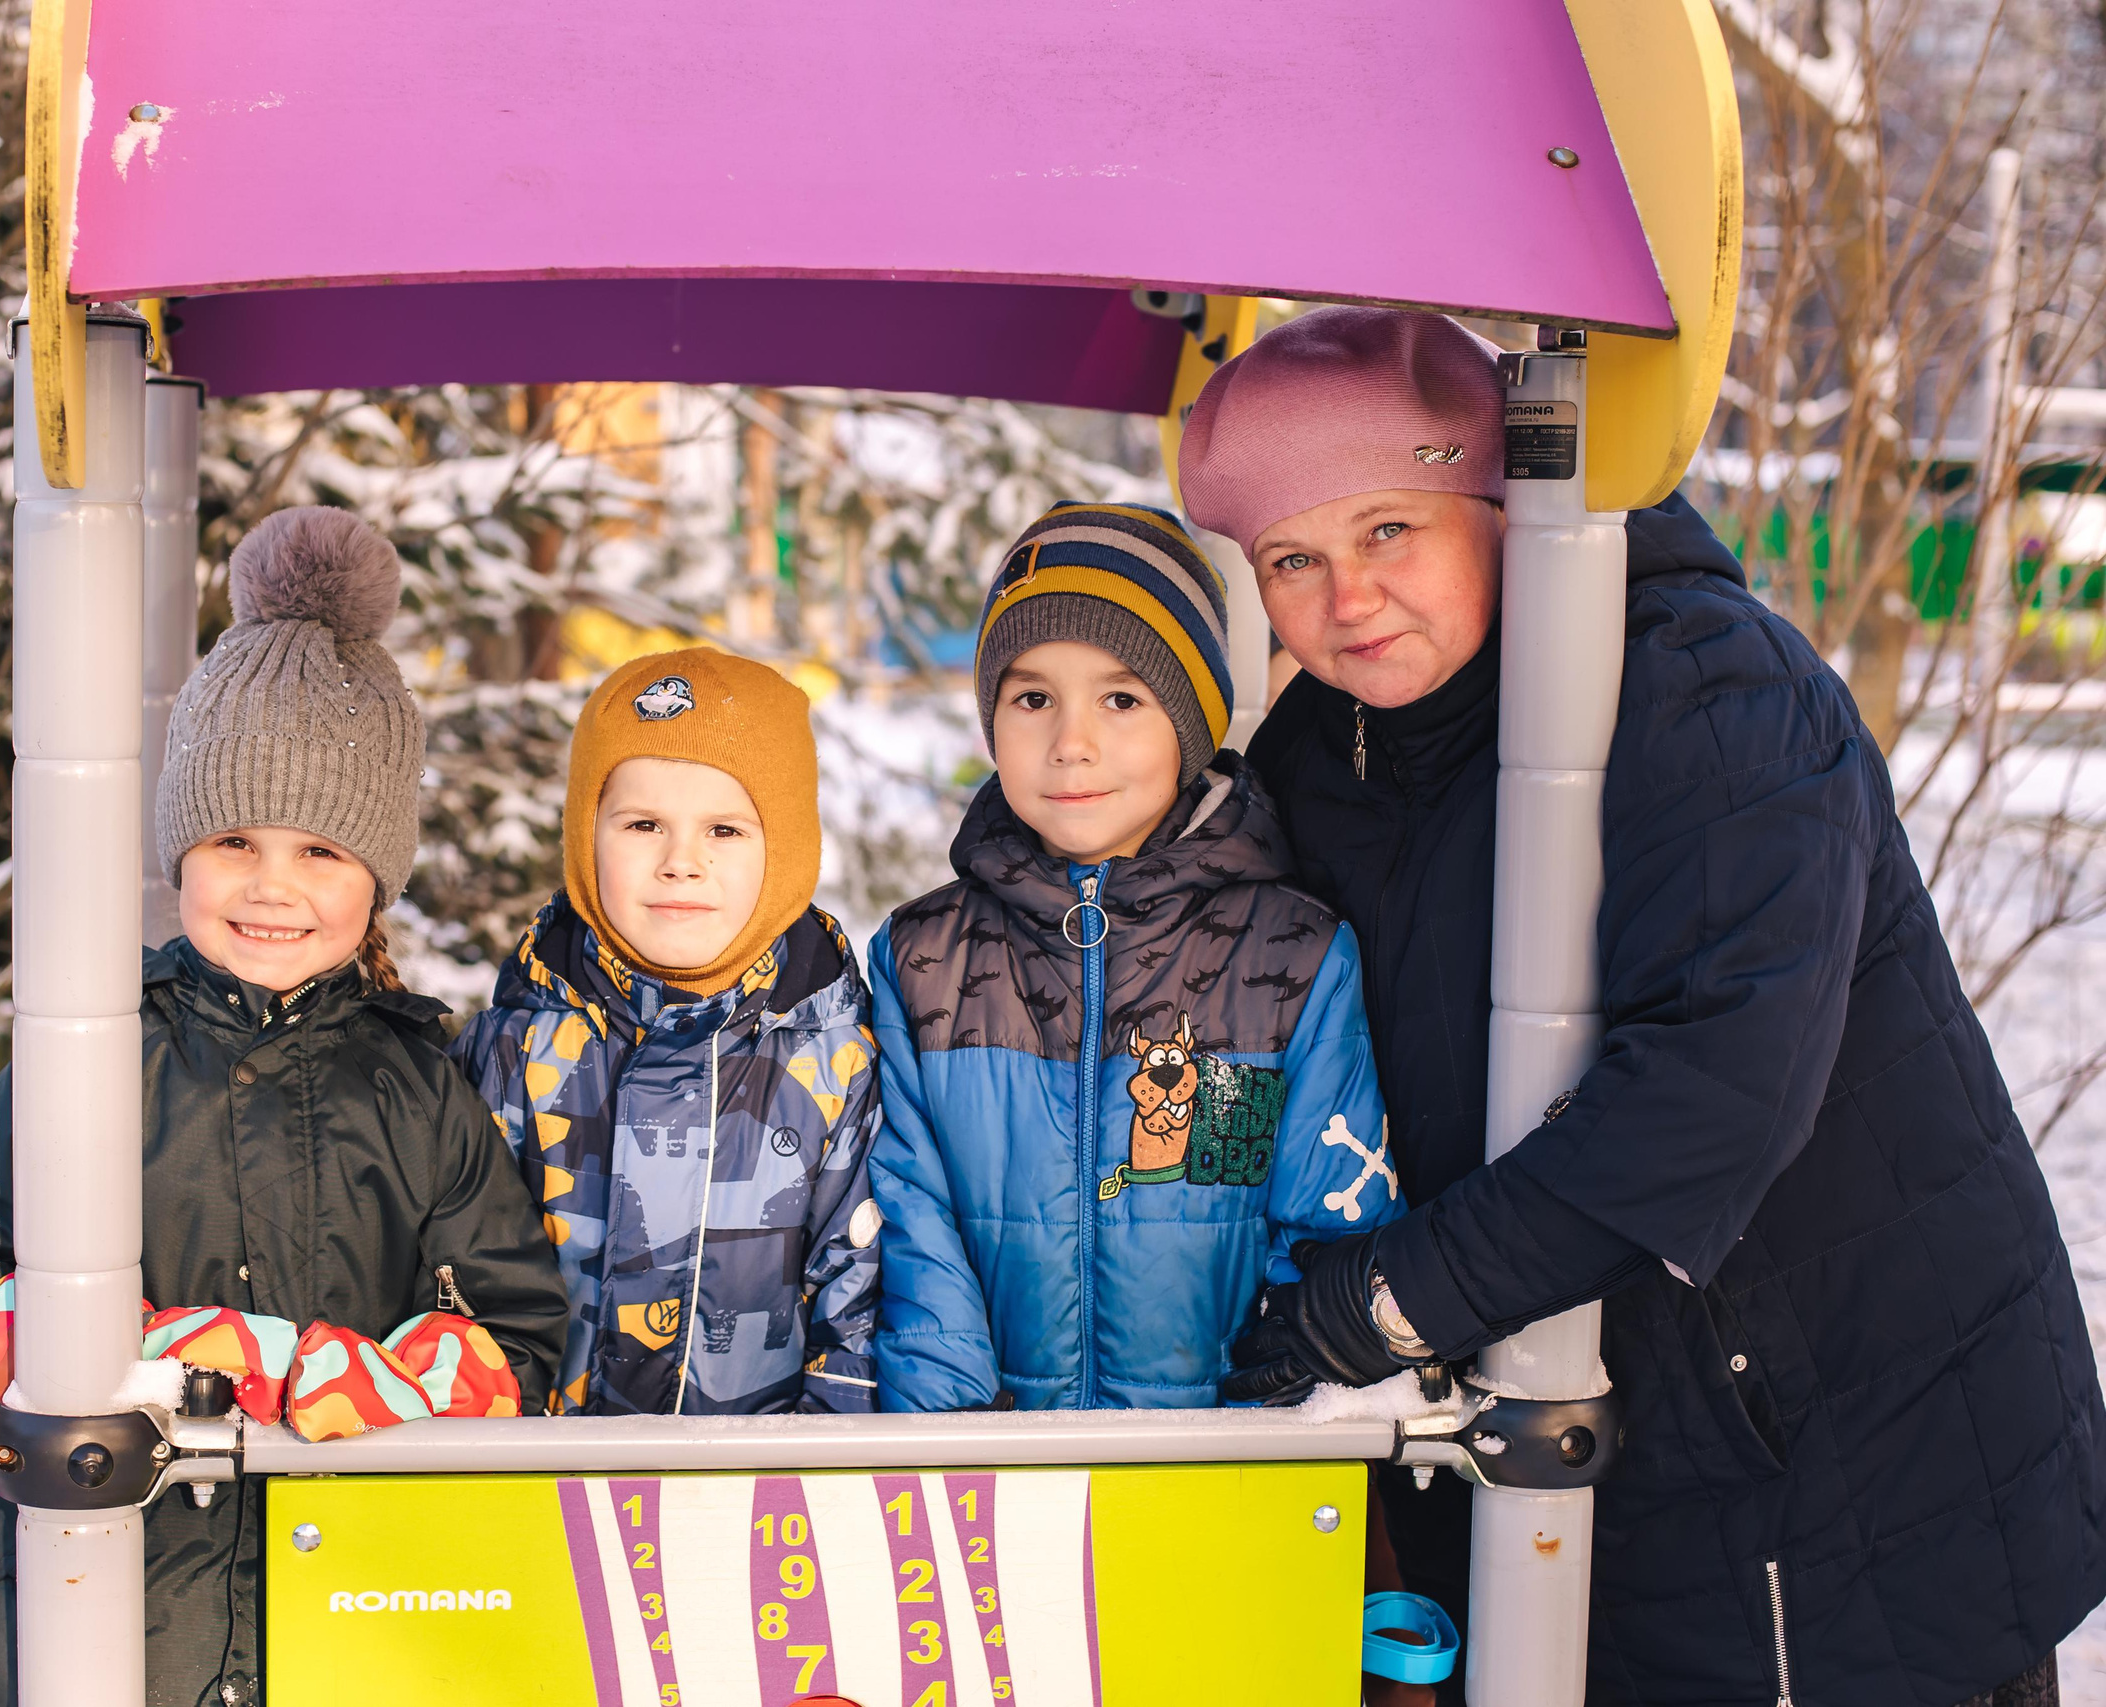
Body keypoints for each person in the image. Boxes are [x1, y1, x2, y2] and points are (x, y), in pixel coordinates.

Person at [1181, 305, 2106, 1707]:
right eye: (1292, 560)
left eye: (1388, 529)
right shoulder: (1324, 757)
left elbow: (1711, 1098)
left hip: (1840, 1458)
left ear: (1496, 503)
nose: (1347, 598)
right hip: (1581, 1464)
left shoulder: (1707, 687)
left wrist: (1381, 1304)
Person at [0, 507, 568, 1707]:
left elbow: (517, 1337)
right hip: (109, 1614)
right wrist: (132, 1352)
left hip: (350, 1621)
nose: (271, 887)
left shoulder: (417, 1087)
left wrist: (364, 1376)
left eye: (321, 852)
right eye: (235, 838)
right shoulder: (95, 1052)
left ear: (377, 874)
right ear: (181, 847)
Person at [866, 501, 1396, 1412]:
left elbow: (1322, 1228)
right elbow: (914, 1221)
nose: (1072, 744)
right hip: (991, 1464)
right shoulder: (924, 959)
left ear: (1189, 723)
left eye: (1121, 698)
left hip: (1219, 1463)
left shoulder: (1289, 957)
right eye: (1033, 699)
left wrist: (1259, 1424)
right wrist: (953, 1440)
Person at [451, 649, 881, 1414]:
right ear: (586, 836)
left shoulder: (837, 1064)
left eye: (724, 829)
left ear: (785, 850)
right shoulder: (513, 1054)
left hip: (764, 1481)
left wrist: (816, 1471)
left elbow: (860, 1312)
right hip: (543, 1477)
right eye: (644, 823)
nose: (682, 861)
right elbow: (464, 1294)